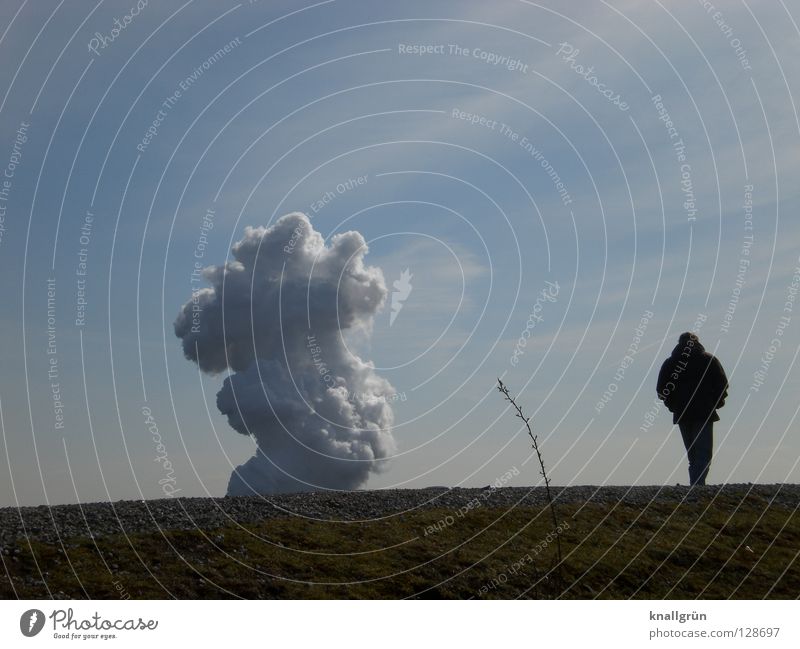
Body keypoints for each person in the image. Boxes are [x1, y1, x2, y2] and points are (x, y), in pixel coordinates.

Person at [657, 332, 728, 486]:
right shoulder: (709, 360)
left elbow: (662, 390)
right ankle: (697, 486)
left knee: (693, 455)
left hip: (683, 413)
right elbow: (722, 384)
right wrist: (716, 403)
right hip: (704, 413)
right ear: (697, 342)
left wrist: (673, 406)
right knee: (703, 454)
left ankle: (696, 485)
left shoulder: (670, 363)